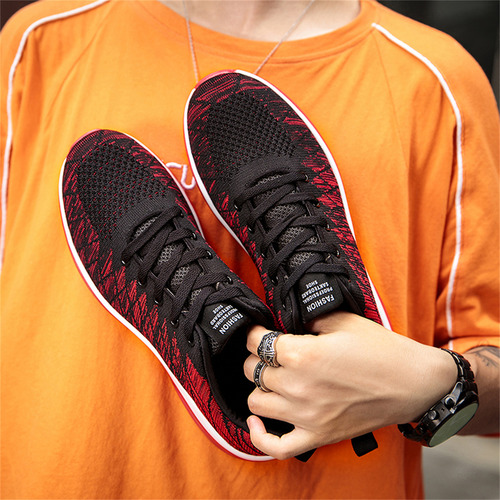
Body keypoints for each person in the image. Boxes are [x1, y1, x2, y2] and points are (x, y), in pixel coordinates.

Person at [1, 0, 498, 498]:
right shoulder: (38, 44)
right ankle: (236, 338)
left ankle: (292, 320)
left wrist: (429, 384)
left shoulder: (434, 81)